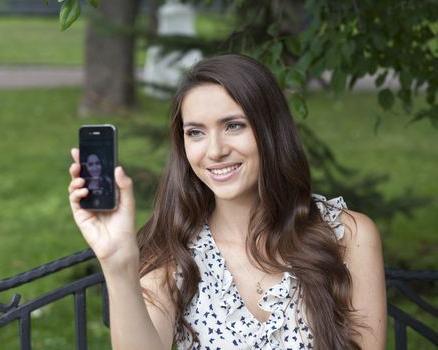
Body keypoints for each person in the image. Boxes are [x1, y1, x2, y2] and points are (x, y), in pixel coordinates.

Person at [68, 54, 386, 349]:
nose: (215, 150)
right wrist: (118, 262)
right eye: (195, 132)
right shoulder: (173, 248)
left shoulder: (348, 234)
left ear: (271, 130)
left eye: (233, 126)